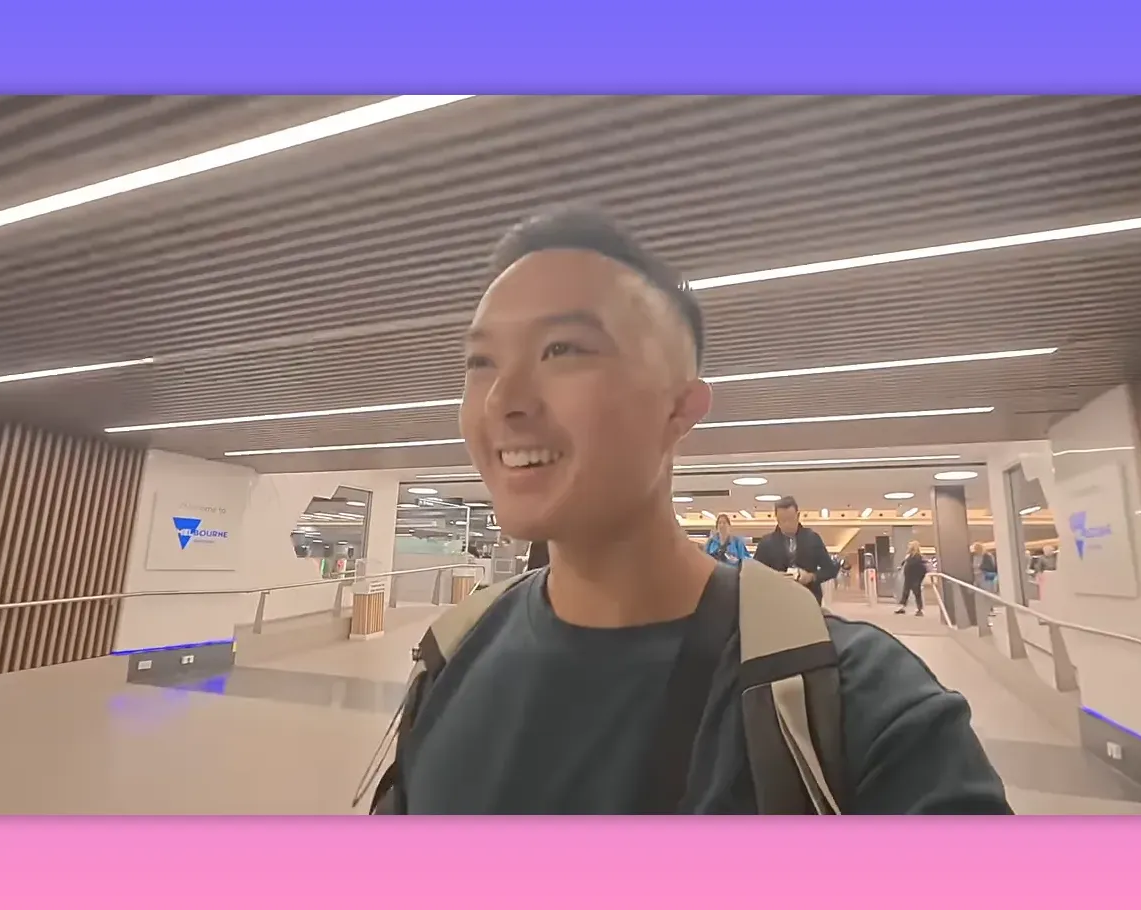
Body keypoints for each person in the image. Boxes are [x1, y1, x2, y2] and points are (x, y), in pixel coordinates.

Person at [378, 206, 1010, 814]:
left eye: (562, 350)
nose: (501, 400)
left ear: (680, 409)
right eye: (480, 362)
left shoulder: (858, 705)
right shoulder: (452, 655)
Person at [751, 497, 839, 605]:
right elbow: (756, 573)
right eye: (782, 521)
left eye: (790, 519)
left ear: (798, 516)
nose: (787, 524)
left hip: (809, 599)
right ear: (776, 519)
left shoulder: (812, 538)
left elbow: (830, 570)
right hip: (777, 600)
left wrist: (811, 577)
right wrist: (774, 577)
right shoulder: (766, 542)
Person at [895, 540, 928, 617]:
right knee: (906, 592)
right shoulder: (909, 556)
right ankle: (902, 607)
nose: (908, 547)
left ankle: (919, 609)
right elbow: (904, 564)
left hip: (914, 578)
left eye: (909, 546)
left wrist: (919, 578)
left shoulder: (917, 557)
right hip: (909, 577)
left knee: (916, 593)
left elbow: (919, 567)